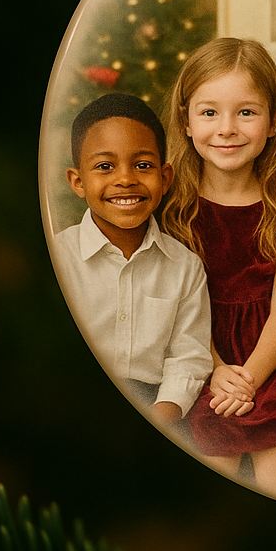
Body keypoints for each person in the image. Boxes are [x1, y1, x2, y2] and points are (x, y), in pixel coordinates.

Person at [162, 38, 276, 502]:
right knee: (211, 453)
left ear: (275, 121)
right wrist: (215, 371)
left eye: (247, 113)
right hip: (197, 356)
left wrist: (249, 377)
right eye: (210, 112)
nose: (227, 129)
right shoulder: (171, 210)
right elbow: (176, 311)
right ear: (186, 120)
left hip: (271, 362)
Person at [52, 93, 211, 430]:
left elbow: (188, 358)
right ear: (77, 181)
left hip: (157, 407)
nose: (125, 179)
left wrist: (158, 418)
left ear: (165, 177)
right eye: (105, 166)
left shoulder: (184, 266)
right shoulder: (60, 258)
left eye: (142, 165)